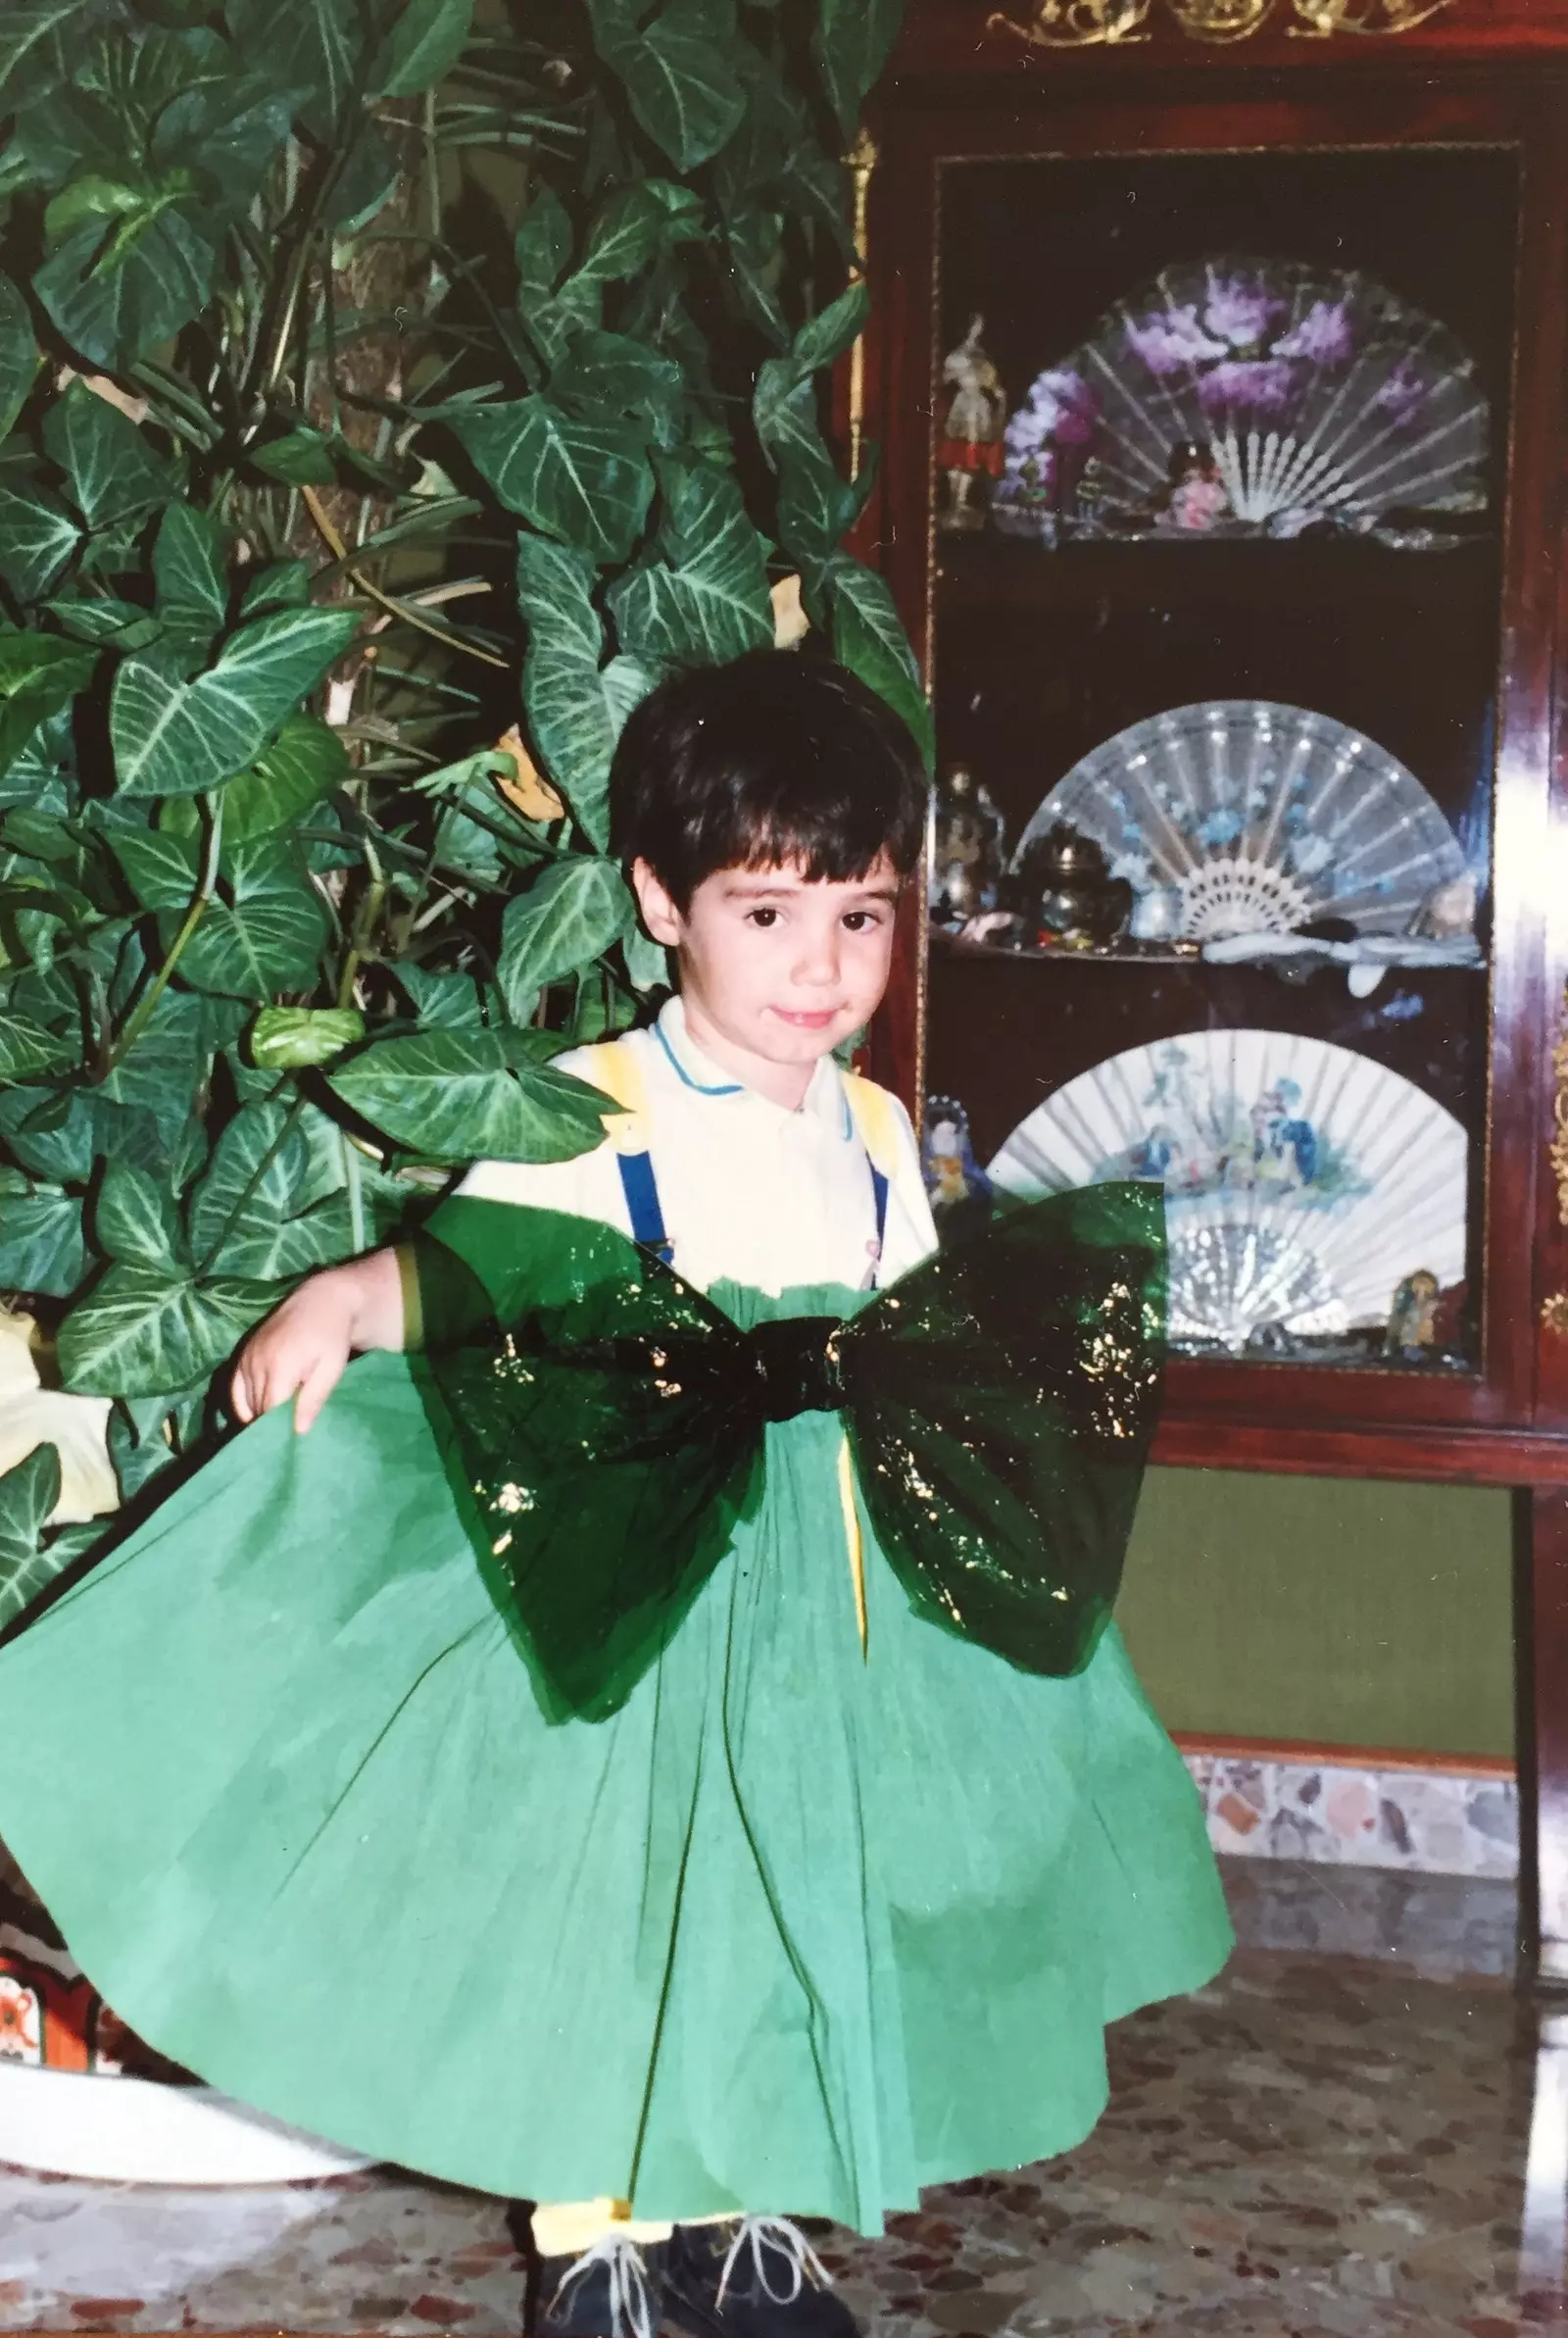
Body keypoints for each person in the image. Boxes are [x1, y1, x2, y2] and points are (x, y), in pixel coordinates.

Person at [0, 651, 1231, 2338]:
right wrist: (345, 1303)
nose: (821, 967)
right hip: (643, 1588)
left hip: (831, 1603)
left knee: (791, 1888)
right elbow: (476, 1272)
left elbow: (919, 1345)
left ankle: (741, 2214)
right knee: (636, 1910)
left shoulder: (874, 1133)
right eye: (770, 915)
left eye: (861, 920)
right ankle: (606, 2242)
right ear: (662, 902)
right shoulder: (600, 1111)